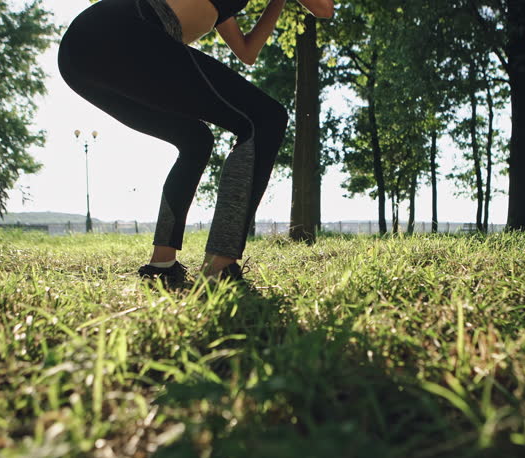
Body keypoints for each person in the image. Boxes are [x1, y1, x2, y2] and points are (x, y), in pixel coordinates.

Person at [57, 0, 333, 285]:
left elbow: (248, 52)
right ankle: (218, 268)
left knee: (195, 140)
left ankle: (162, 263)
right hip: (124, 27)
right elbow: (325, 7)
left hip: (83, 55)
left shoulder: (226, 7)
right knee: (266, 118)